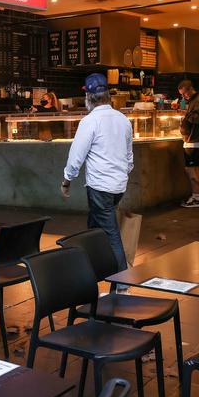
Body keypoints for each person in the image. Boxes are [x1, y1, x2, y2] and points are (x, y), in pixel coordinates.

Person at [61, 73, 133, 275]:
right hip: (118, 186)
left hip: (100, 187)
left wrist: (67, 181)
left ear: (89, 97)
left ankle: (122, 283)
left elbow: (76, 156)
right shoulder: (123, 119)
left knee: (110, 234)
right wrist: (122, 175)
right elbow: (129, 157)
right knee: (94, 228)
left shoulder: (90, 121)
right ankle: (92, 270)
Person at [171, 80, 199, 208]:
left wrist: (186, 115)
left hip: (195, 141)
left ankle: (197, 198)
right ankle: (196, 196)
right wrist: (184, 113)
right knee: (194, 170)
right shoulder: (193, 101)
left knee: (190, 170)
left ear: (189, 90)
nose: (183, 97)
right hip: (192, 141)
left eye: (184, 94)